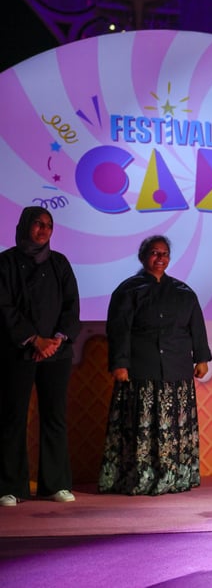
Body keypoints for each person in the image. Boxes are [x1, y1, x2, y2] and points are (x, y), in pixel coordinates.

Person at [98, 235, 212, 497]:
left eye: (164, 253)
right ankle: (141, 478)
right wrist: (120, 364)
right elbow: (118, 330)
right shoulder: (128, 290)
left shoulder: (184, 292)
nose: (160, 258)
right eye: (154, 253)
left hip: (176, 371)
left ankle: (174, 477)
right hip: (141, 371)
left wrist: (202, 359)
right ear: (143, 257)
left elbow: (196, 328)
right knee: (141, 428)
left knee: (174, 429)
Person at [0, 207, 80, 507]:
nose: (44, 230)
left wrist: (55, 340)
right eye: (38, 224)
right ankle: (10, 486)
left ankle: (55, 485)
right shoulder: (5, 262)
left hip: (56, 353)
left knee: (54, 417)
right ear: (24, 225)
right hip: (17, 351)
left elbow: (72, 305)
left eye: (48, 225)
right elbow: (4, 307)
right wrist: (34, 340)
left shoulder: (60, 263)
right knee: (13, 417)